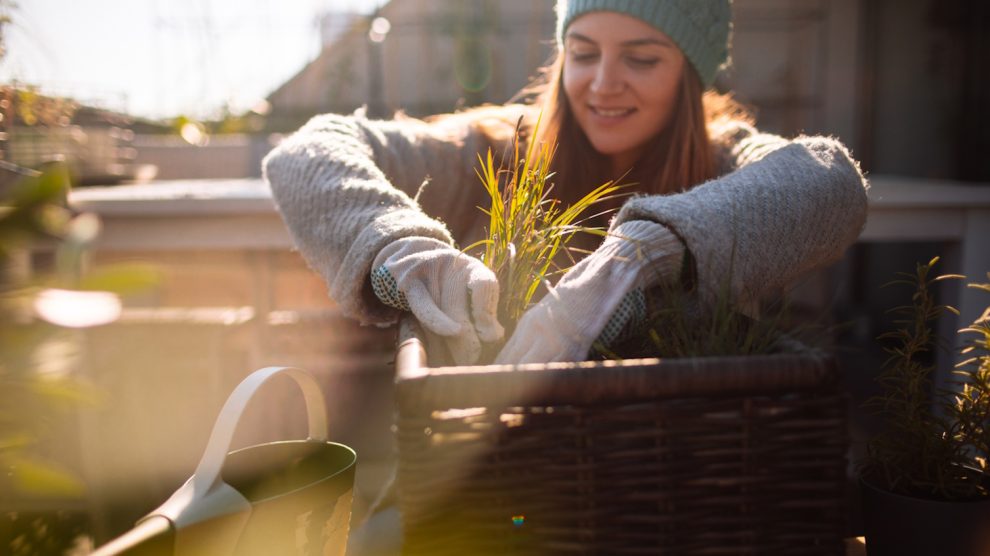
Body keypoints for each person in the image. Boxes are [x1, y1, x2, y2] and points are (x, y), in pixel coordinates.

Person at [263, 0, 869, 368]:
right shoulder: (498, 150)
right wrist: (404, 249)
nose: (604, 83)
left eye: (641, 58)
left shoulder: (725, 160)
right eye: (583, 54)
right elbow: (306, 154)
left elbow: (831, 179)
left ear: (689, 73)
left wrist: (639, 257)